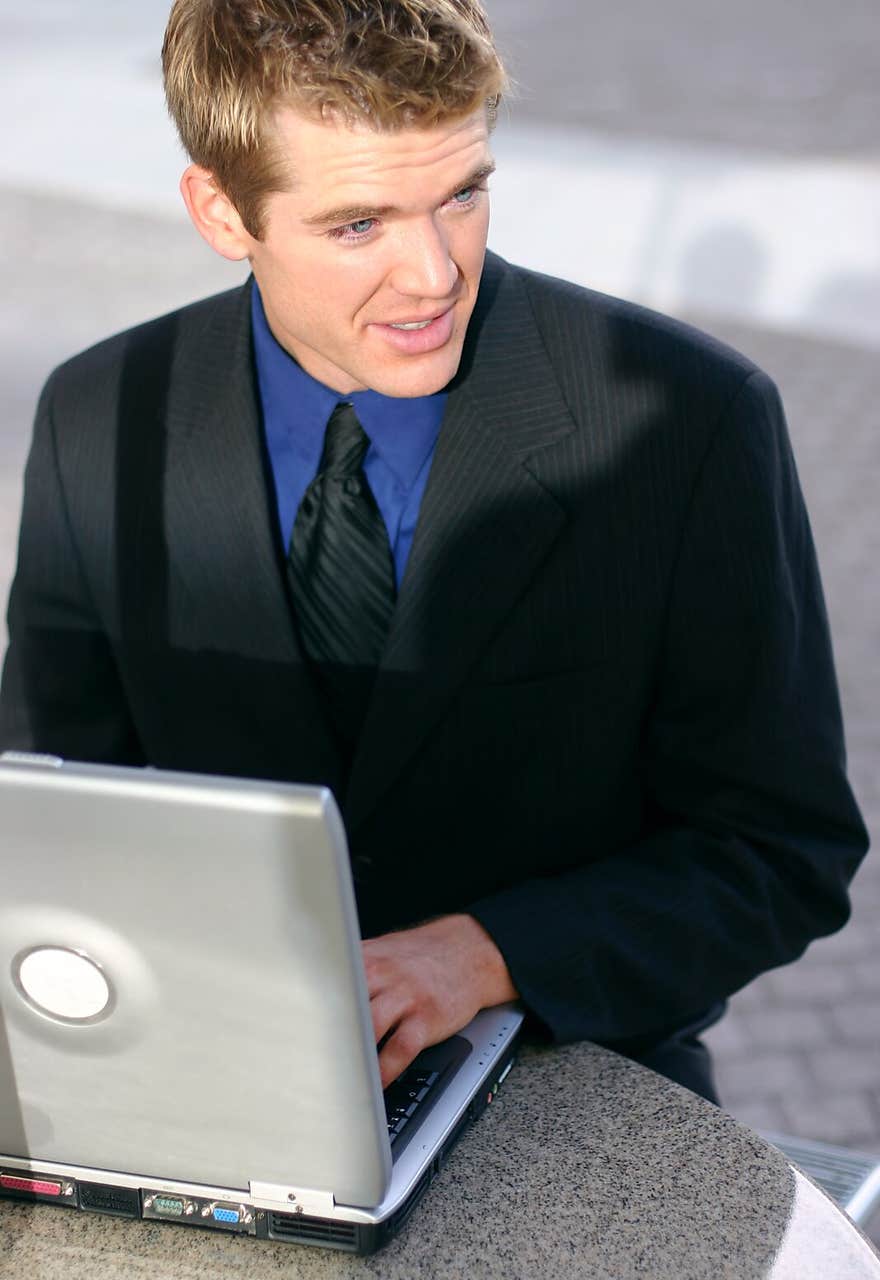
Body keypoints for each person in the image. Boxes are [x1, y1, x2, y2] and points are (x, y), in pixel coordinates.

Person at [0, 0, 868, 1104]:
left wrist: (490, 952)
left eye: (461, 195)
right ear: (221, 211)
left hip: (577, 1085)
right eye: (358, 224)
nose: (431, 275)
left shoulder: (688, 422)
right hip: (217, 1079)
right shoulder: (97, 416)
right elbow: (53, 811)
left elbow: (779, 851)